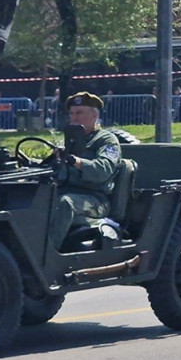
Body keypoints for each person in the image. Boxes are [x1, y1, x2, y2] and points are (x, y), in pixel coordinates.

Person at [48, 92, 123, 250]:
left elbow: (103, 169)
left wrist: (77, 161)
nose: (74, 118)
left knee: (65, 203)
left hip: (95, 199)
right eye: (72, 113)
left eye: (80, 113)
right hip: (63, 191)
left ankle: (47, 254)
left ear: (94, 115)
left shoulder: (106, 140)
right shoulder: (71, 140)